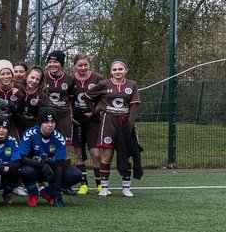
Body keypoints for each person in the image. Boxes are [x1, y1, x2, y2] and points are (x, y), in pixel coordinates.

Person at [90, 59, 142, 197]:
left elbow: (134, 105)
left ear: (126, 70)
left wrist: (129, 125)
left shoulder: (132, 85)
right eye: (114, 70)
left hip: (124, 123)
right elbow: (88, 96)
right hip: (108, 122)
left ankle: (126, 187)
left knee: (126, 155)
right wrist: (95, 111)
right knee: (106, 156)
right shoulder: (104, 84)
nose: (117, 72)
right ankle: (104, 187)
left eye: (120, 69)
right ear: (111, 72)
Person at [18, 107, 81, 207]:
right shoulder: (29, 134)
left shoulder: (59, 138)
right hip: (34, 167)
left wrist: (57, 190)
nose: (50, 125)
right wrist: (42, 165)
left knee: (76, 175)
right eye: (46, 122)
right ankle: (33, 194)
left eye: (52, 122)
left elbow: (60, 164)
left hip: (51, 169)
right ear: (40, 123)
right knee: (25, 171)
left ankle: (47, 192)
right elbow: (22, 158)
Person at [69, 54, 105, 191]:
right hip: (77, 120)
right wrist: (71, 115)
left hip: (93, 120)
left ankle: (99, 184)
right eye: (80, 65)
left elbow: (104, 98)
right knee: (78, 153)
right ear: (75, 66)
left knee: (96, 153)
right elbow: (67, 99)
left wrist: (95, 111)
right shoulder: (70, 79)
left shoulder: (98, 78)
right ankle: (83, 184)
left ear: (89, 65)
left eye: (85, 64)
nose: (83, 67)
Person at [42, 50, 75, 151]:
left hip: (63, 116)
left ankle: (63, 165)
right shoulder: (43, 77)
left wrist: (72, 115)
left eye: (55, 62)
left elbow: (71, 98)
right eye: (50, 62)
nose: (52, 65)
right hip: (47, 116)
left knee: (63, 145)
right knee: (46, 143)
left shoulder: (69, 79)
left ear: (61, 64)